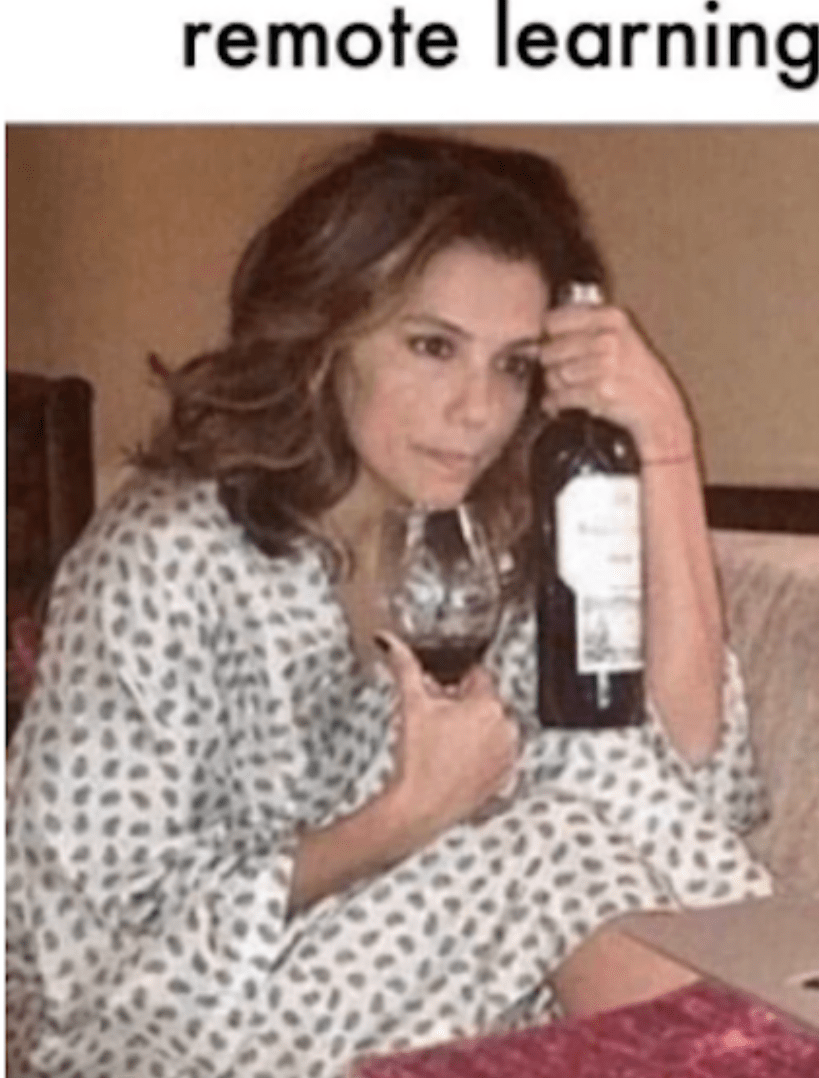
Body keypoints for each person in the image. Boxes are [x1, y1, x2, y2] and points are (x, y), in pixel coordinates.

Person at [5, 131, 773, 1078]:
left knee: (587, 765)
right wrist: (399, 819)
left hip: (397, 1001)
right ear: (325, 341)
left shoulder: (469, 547)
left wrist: (666, 442)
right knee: (553, 848)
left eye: (513, 365)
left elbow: (687, 782)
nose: (477, 410)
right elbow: (81, 956)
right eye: (432, 347)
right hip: (144, 1031)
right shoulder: (166, 554)